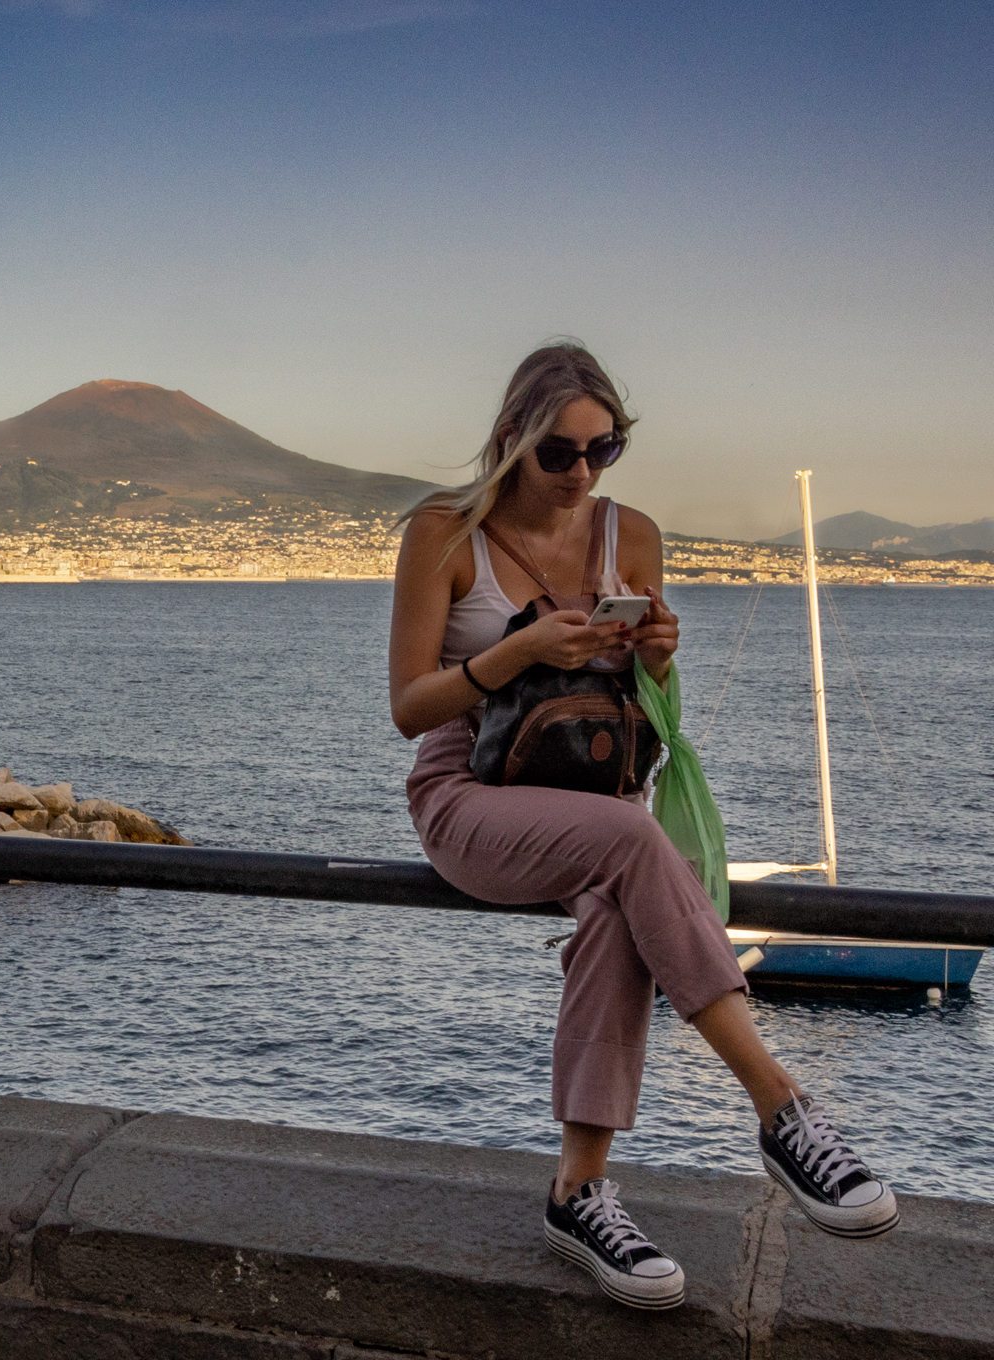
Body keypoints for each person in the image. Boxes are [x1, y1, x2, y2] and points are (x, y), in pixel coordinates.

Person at [387, 342, 897, 1311]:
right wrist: (520, 648)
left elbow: (643, 709)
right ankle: (780, 1107)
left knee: (623, 896)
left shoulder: (634, 534)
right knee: (632, 847)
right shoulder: (442, 535)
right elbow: (408, 707)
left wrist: (657, 658)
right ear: (510, 439)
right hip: (467, 793)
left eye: (602, 449)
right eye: (558, 452)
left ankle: (578, 1191)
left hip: (592, 790)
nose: (580, 472)